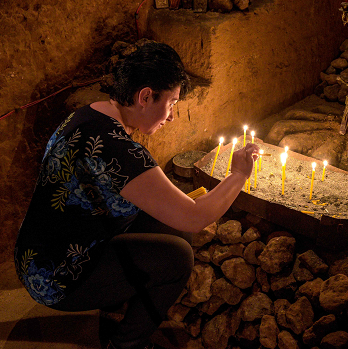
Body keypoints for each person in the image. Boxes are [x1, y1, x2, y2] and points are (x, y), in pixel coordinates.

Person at [14, 41, 258, 349]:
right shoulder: (119, 151)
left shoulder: (90, 115)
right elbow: (196, 217)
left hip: (35, 251)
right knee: (179, 257)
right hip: (57, 276)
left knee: (174, 229)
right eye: (171, 104)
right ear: (145, 96)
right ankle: (126, 343)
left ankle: (117, 299)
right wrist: (238, 175)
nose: (170, 117)